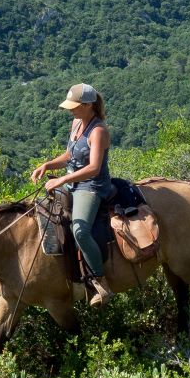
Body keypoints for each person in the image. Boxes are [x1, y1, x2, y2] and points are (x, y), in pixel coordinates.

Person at [30, 82, 114, 305]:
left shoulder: (98, 131)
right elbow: (70, 155)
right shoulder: (77, 123)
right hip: (73, 183)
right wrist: (48, 165)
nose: (70, 110)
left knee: (80, 230)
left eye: (74, 106)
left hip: (92, 187)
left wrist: (63, 179)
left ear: (88, 105)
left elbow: (94, 167)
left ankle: (99, 280)